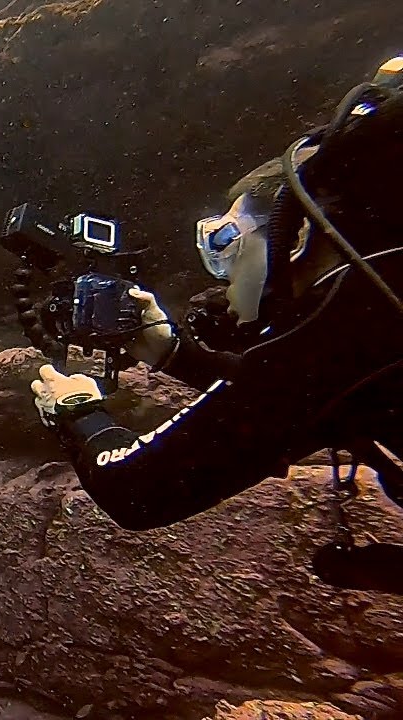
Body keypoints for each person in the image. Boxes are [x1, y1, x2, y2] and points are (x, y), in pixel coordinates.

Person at [28, 56, 403, 594]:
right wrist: (176, 356)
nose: (223, 276)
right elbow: (289, 407)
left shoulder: (346, 319)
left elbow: (137, 488)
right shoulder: (374, 303)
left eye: (226, 246)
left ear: (290, 237)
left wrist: (77, 411)